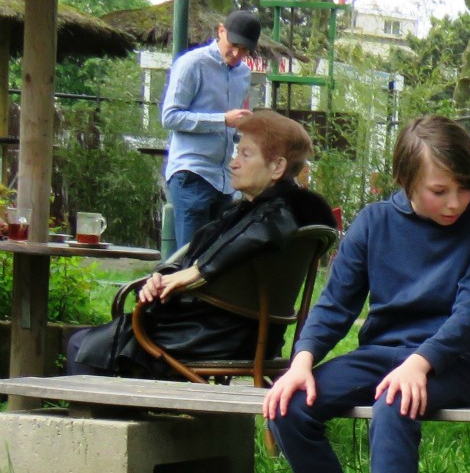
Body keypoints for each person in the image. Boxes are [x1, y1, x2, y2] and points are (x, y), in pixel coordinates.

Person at [262, 116, 470, 473]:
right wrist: (301, 362)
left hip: (450, 361)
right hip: (383, 354)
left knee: (394, 401)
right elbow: (334, 306)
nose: (455, 202)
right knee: (288, 407)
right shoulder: (374, 223)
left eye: (465, 188)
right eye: (441, 190)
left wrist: (421, 363)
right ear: (406, 180)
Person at [67, 111, 334, 379]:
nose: (233, 163)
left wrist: (198, 270)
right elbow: (199, 251)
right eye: (236, 153)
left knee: (82, 346)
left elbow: (257, 232)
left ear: (277, 167)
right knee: (95, 343)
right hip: (238, 335)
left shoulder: (277, 214)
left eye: (245, 154)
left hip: (206, 335)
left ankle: (86, 419)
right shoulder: (263, 212)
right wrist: (162, 277)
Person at [161, 10, 262, 254]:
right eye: (233, 45)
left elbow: (232, 128)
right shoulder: (192, 64)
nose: (237, 54)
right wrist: (223, 120)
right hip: (191, 173)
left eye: (245, 50)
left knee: (213, 261)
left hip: (225, 181)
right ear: (220, 31)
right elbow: (170, 116)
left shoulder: (243, 74)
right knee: (189, 258)